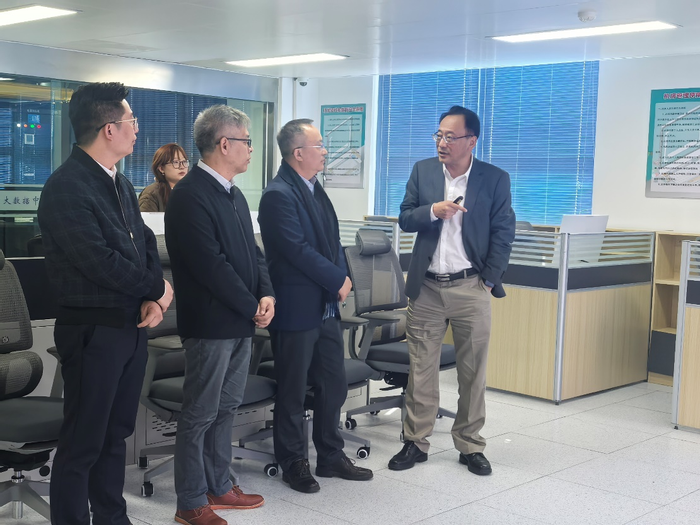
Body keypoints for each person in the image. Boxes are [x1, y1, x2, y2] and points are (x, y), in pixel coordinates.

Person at [37, 81, 173, 525]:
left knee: (117, 434)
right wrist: (156, 289)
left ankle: (113, 517)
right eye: (132, 121)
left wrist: (153, 296)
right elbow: (100, 262)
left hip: (129, 325)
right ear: (109, 129)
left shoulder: (119, 181)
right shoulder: (66, 186)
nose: (137, 129)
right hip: (92, 330)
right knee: (84, 442)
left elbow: (144, 242)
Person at [388, 105, 515, 476]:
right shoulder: (423, 171)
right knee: (421, 369)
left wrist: (488, 279)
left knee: (473, 373)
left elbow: (503, 232)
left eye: (450, 136)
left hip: (470, 286)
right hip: (426, 287)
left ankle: (470, 444)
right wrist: (432, 210)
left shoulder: (494, 179)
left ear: (471, 141)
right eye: (439, 135)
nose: (442, 143)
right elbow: (405, 217)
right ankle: (415, 442)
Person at [165, 105, 273, 525]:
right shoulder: (190, 195)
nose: (251, 149)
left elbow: (254, 254)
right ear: (224, 144)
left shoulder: (234, 193)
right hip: (210, 324)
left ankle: (219, 485)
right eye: (247, 141)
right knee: (200, 413)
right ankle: (190, 501)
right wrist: (251, 305)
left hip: (241, 320)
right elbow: (211, 266)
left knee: (227, 407)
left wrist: (266, 294)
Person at [258, 118, 373, 494]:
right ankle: (293, 461)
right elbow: (296, 250)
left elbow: (331, 241)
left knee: (332, 384)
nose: (325, 151)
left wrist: (342, 276)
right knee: (293, 390)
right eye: (319, 146)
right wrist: (336, 279)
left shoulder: (313, 187)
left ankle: (330, 455)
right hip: (296, 307)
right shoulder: (277, 195)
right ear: (298, 153)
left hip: (325, 306)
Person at [138, 143, 189, 212]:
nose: (182, 167)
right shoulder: (151, 194)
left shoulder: (191, 191)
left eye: (184, 162)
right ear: (161, 168)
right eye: (176, 162)